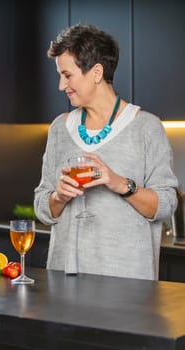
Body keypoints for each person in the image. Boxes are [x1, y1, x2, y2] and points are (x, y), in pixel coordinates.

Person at [34, 24, 178, 280]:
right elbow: (42, 207)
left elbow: (166, 204)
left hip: (127, 282)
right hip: (64, 277)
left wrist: (120, 183)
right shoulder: (59, 128)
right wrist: (59, 196)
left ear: (96, 72)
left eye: (67, 75)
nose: (60, 85)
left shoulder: (146, 127)